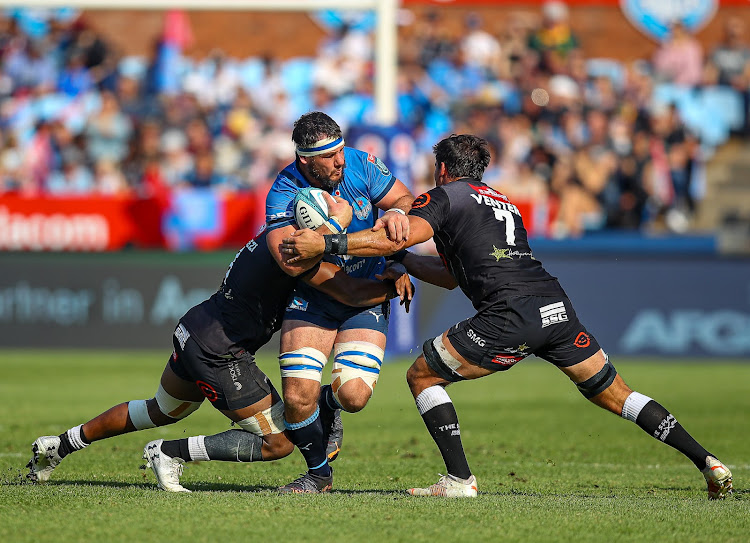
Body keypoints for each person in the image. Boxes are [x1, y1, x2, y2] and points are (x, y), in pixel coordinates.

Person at [281, 134, 733, 500]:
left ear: (443, 169)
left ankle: (459, 481)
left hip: (511, 313)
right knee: (617, 394)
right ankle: (707, 461)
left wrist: (329, 245)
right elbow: (451, 278)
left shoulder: (443, 197)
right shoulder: (503, 201)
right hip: (555, 307)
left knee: (421, 376)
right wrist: (403, 266)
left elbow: (394, 239)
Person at [27, 216, 412, 493]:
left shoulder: (274, 236)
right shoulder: (297, 254)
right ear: (310, 227)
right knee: (277, 443)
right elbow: (350, 295)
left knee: (159, 410)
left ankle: (59, 445)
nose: (333, 234)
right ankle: (169, 453)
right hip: (220, 354)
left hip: (195, 331)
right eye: (329, 226)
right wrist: (396, 283)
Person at [264, 111, 415, 493]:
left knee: (354, 395)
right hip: (314, 297)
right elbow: (288, 259)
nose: (339, 161)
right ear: (305, 160)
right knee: (298, 399)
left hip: (363, 295)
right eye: (329, 156)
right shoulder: (283, 190)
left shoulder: (362, 165)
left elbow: (404, 197)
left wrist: (397, 212)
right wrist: (335, 225)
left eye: (341, 150)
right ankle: (318, 475)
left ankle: (328, 406)